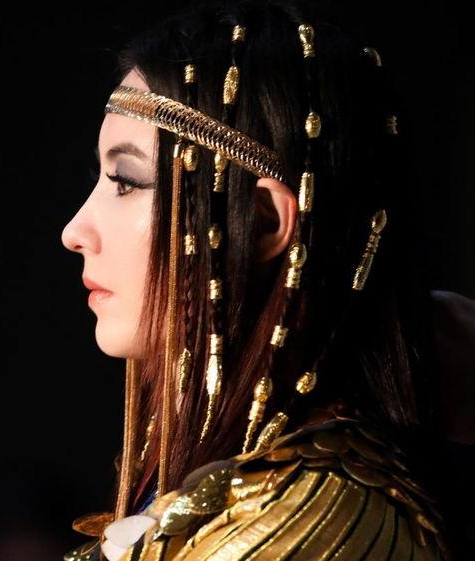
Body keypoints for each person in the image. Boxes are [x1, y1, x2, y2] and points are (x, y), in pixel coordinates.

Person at [60, 0, 455, 559]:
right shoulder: (248, 489)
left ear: (263, 222)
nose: (74, 231)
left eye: (126, 181)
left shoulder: (311, 518)